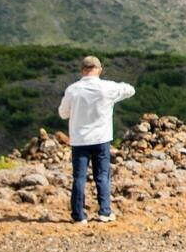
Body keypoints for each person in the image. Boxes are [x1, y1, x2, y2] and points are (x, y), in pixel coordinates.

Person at [56, 56, 136, 224]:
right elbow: (130, 89)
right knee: (102, 175)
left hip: (79, 140)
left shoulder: (73, 90)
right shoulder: (107, 88)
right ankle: (104, 212)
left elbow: (63, 113)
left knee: (79, 177)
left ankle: (78, 216)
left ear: (82, 70)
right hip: (101, 138)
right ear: (99, 69)